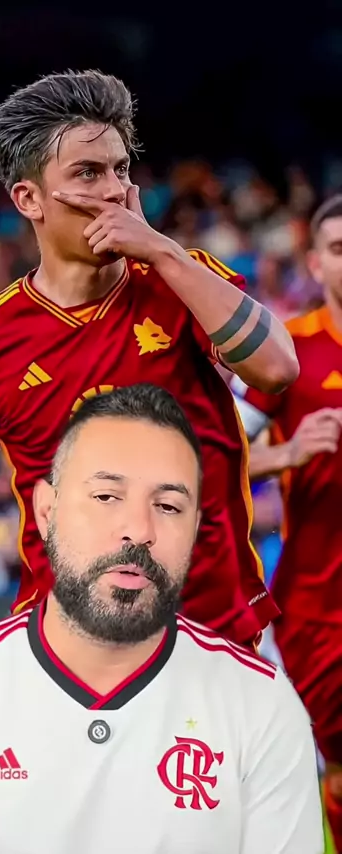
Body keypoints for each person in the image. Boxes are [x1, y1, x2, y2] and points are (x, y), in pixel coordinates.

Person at [0, 69, 299, 678]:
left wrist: (160, 249)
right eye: (87, 173)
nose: (113, 190)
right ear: (29, 199)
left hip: (210, 642)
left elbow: (276, 367)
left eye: (120, 170)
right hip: (62, 653)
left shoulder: (181, 280)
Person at [0, 385, 323, 854]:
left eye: (168, 506)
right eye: (106, 496)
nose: (137, 530)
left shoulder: (262, 707)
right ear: (46, 512)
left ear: (196, 529)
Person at [233, 194, 342, 852]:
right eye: (339, 249)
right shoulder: (288, 351)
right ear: (315, 263)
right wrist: (290, 452)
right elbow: (217, 457)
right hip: (321, 603)